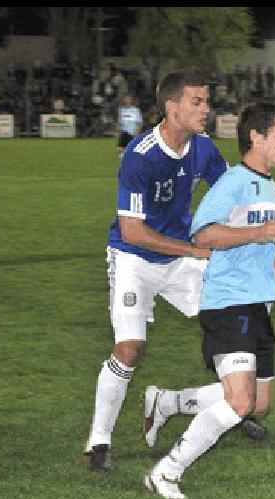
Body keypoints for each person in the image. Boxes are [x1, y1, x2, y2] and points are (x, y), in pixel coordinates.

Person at [143, 101, 275, 499]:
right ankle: (166, 472)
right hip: (228, 302)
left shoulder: (271, 186)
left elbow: (263, 247)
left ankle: (167, 402)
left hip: (259, 304)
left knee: (260, 404)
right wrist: (257, 233)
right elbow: (203, 234)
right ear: (256, 137)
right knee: (240, 402)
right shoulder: (234, 182)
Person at [82, 71, 229, 472]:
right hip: (133, 257)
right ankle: (98, 442)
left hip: (181, 257)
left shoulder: (203, 149)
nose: (206, 108)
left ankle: (235, 404)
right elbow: (133, 230)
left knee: (230, 327)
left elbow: (227, 195)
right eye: (197, 101)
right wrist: (197, 250)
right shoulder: (139, 154)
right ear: (172, 106)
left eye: (206, 101)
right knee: (130, 349)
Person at [116, 94, 143, 158]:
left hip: (133, 132)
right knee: (119, 150)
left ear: (131, 100)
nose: (127, 101)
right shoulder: (121, 110)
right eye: (126, 99)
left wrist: (137, 132)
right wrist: (117, 131)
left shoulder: (136, 110)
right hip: (124, 132)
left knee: (133, 150)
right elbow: (120, 123)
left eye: (128, 99)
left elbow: (140, 122)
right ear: (124, 100)